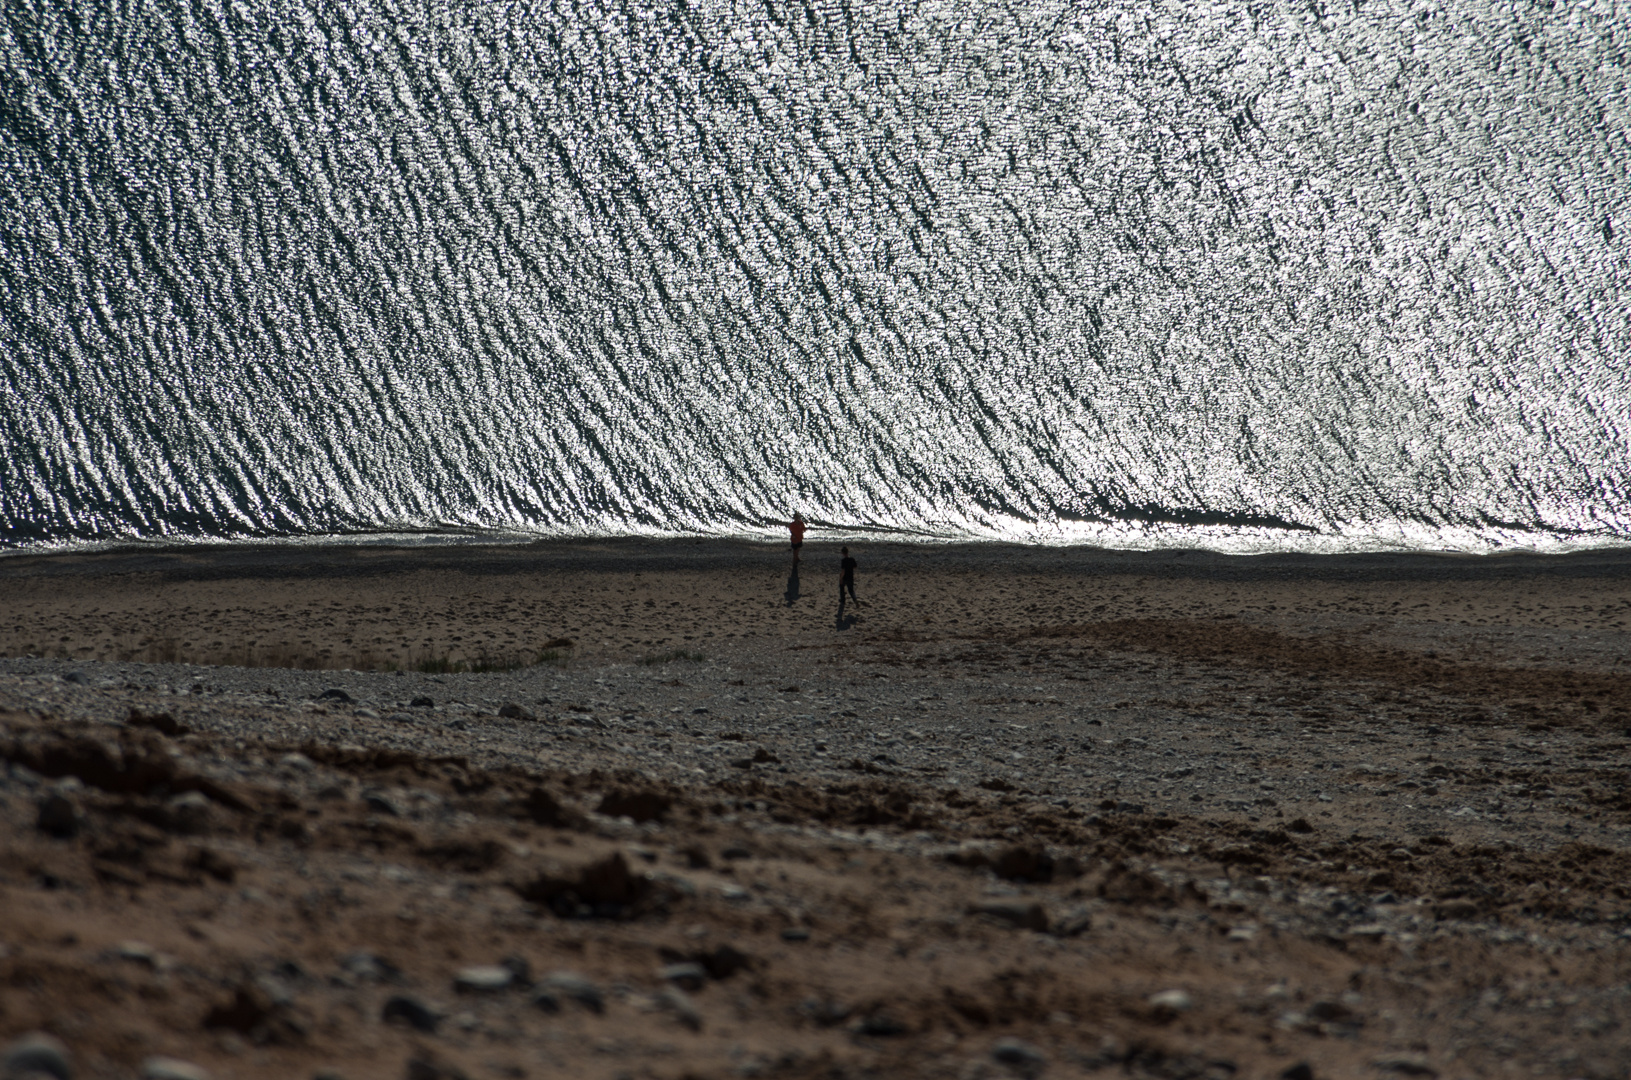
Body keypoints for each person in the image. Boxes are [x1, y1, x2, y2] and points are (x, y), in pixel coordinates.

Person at [838, 546, 858, 611]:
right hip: (850, 576)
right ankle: (855, 599)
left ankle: (843, 601)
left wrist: (841, 578)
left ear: (843, 553)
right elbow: (855, 567)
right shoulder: (852, 559)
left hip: (845, 577)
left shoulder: (843, 561)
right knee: (851, 590)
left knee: (841, 587)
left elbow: (843, 571)